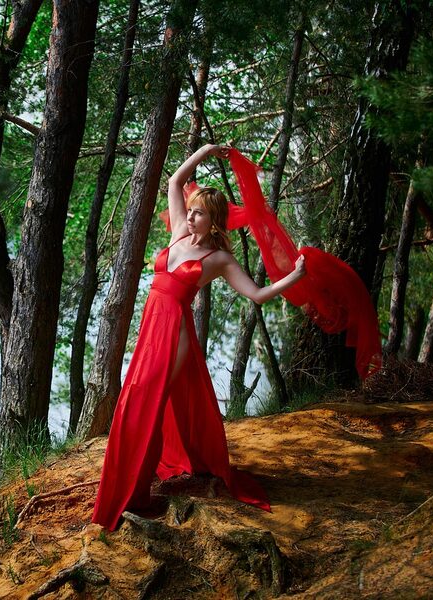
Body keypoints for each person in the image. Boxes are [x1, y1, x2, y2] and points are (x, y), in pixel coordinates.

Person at [91, 143, 307, 531]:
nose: (190, 216)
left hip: (175, 336)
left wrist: (293, 278)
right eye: (190, 210)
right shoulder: (177, 229)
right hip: (151, 330)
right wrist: (207, 150)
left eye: (199, 213)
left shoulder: (219, 259)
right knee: (134, 403)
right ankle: (127, 487)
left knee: (145, 408)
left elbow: (256, 295)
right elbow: (175, 180)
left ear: (214, 221)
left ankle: (133, 495)